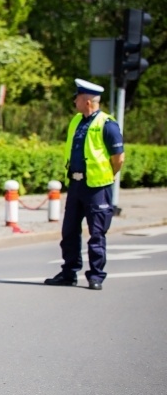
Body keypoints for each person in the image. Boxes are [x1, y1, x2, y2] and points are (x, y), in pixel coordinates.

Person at [44, 78, 125, 291]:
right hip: (76, 184)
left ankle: (96, 276)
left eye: (77, 98)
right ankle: (69, 273)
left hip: (97, 187)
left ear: (87, 101)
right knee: (69, 232)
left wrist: (108, 174)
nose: (74, 102)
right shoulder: (76, 121)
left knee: (96, 234)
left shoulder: (107, 124)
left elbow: (119, 158)